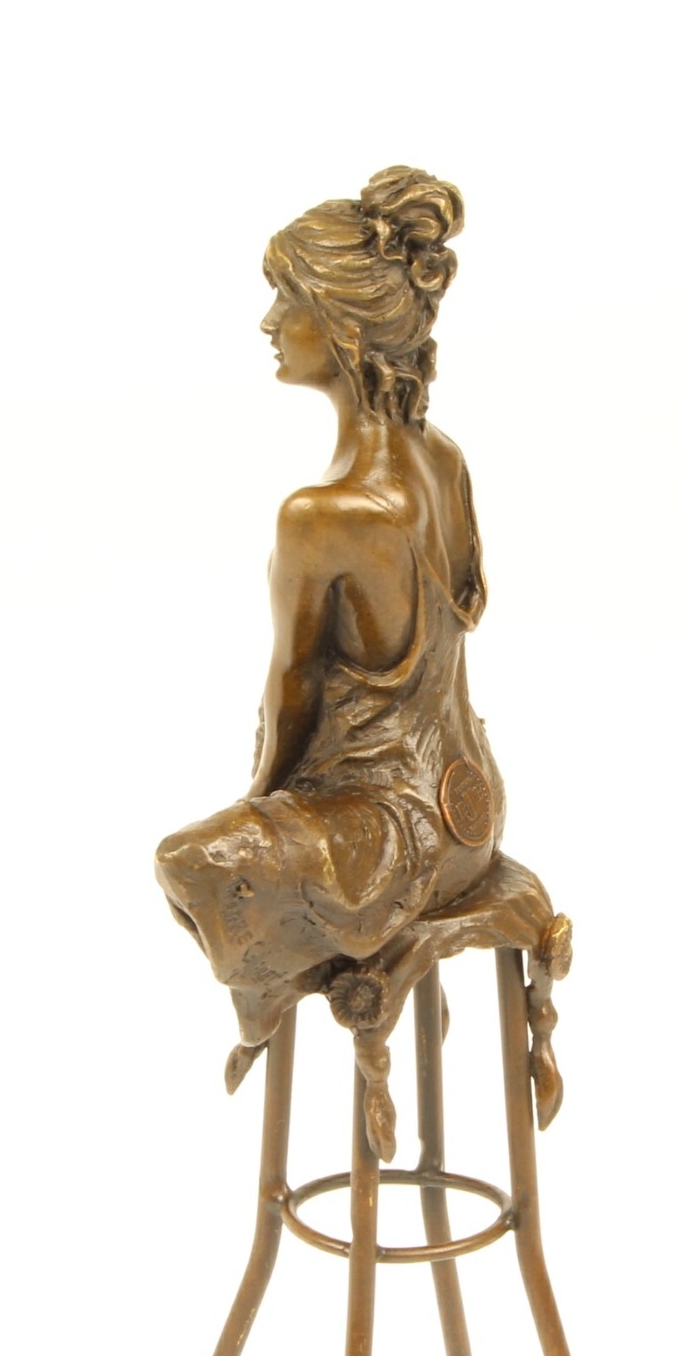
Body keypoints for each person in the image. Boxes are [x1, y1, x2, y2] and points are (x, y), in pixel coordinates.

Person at [156, 167, 512, 1070]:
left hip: (389, 837)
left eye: (288, 301)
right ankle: (323, 969)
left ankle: (273, 991)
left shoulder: (325, 514)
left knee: (190, 860)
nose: (269, 324)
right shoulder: (443, 461)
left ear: (343, 325)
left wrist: (258, 810)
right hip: (471, 811)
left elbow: (292, 695)